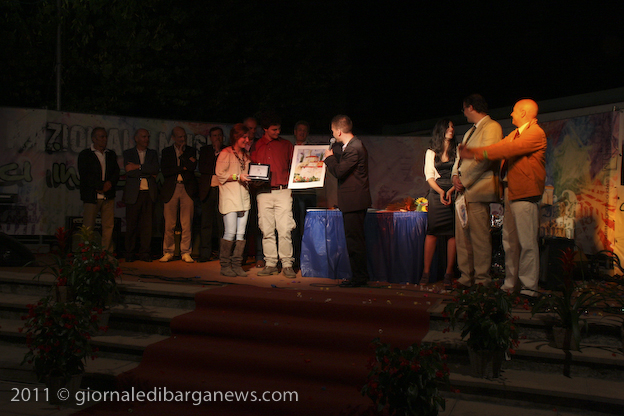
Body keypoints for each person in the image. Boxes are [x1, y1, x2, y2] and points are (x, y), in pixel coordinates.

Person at [459, 98, 546, 297]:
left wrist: (474, 153)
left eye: (514, 111)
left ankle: (529, 288)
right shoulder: (515, 134)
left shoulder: (535, 133)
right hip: (511, 191)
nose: (511, 114)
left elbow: (507, 149)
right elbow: (500, 147)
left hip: (526, 193)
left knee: (526, 242)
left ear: (523, 113)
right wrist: (474, 153)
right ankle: (511, 284)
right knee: (510, 241)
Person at [451, 94, 502, 287]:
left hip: (478, 189)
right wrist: (455, 176)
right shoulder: (470, 132)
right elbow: (460, 158)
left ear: (470, 107)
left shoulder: (492, 127)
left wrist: (464, 180)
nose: (464, 113)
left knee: (480, 237)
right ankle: (466, 276)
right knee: (462, 238)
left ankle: (482, 279)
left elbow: (486, 158)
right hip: (463, 193)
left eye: (464, 109)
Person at [324, 115, 372, 288]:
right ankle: (359, 275)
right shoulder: (350, 146)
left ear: (338, 131)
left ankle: (359, 277)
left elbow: (339, 171)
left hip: (354, 201)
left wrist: (329, 158)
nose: (332, 134)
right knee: (354, 240)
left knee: (355, 242)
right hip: (352, 201)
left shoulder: (354, 148)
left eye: (333, 131)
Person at [250, 111, 297, 278]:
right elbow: (251, 167)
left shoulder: (286, 145)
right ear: (265, 129)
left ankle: (287, 264)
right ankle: (270, 263)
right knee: (267, 230)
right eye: (274, 130)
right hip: (263, 192)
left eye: (279, 129)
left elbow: (295, 167)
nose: (278, 132)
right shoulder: (256, 145)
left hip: (283, 191)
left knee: (285, 229)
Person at [420, 119, 457, 288]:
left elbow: (460, 172)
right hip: (436, 192)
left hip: (454, 191)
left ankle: (449, 273)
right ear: (440, 130)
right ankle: (426, 272)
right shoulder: (431, 151)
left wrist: (451, 191)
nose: (451, 129)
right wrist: (441, 192)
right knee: (432, 231)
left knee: (452, 233)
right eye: (448, 127)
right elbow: (429, 176)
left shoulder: (457, 149)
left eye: (452, 127)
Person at [216, 124, 252, 277]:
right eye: (244, 137)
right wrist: (238, 176)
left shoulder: (246, 155)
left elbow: (247, 173)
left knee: (241, 234)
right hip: (230, 197)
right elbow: (220, 174)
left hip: (243, 197)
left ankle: (237, 265)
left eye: (248, 137)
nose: (247, 140)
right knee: (230, 232)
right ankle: (225, 265)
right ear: (236, 137)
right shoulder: (226, 153)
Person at [77, 127, 120, 253]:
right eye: (102, 137)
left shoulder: (110, 154)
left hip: (108, 195)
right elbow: (85, 175)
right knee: (88, 227)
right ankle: (86, 254)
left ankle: (107, 253)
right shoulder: (85, 154)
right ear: (94, 139)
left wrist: (109, 184)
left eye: (105, 136)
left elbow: (116, 172)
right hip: (91, 196)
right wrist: (100, 186)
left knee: (108, 226)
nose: (104, 139)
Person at [159, 126, 198, 263]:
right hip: (171, 188)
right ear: (173, 138)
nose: (183, 139)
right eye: (180, 137)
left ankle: (186, 252)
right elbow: (166, 171)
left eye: (184, 136)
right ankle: (168, 251)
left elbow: (192, 167)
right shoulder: (166, 152)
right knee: (169, 223)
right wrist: (182, 167)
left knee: (186, 223)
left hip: (187, 188)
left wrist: (182, 155)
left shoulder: (191, 151)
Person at [122, 128, 159, 262]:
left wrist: (138, 167)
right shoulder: (128, 153)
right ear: (136, 138)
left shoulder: (152, 153)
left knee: (147, 226)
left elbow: (155, 169)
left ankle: (145, 253)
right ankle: (129, 253)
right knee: (131, 225)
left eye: (148, 137)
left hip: (148, 193)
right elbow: (129, 172)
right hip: (134, 194)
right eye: (143, 137)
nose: (146, 139)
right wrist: (147, 171)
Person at [291, 120, 316, 270]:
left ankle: (309, 259)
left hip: (309, 192)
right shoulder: (290, 148)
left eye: (304, 130)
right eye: (299, 130)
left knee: (309, 226)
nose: (302, 133)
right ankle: (295, 258)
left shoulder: (313, 150)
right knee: (294, 226)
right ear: (295, 132)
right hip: (293, 193)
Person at [198, 127, 224, 262]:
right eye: (214, 135)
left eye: (219, 135)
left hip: (222, 191)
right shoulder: (205, 150)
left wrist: (219, 152)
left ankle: (222, 253)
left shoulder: (227, 150)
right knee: (206, 223)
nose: (217, 138)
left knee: (221, 224)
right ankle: (205, 253)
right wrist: (216, 153)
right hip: (207, 190)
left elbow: (224, 170)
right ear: (210, 138)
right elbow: (204, 168)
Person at [243, 116, 264, 268]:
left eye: (254, 128)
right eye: (249, 128)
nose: (252, 131)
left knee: (258, 223)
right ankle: (242, 256)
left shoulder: (259, 144)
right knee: (243, 224)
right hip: (242, 188)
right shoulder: (239, 145)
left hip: (257, 187)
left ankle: (260, 256)